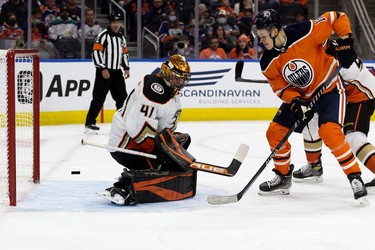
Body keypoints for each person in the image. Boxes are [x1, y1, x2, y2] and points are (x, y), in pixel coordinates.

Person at [252, 9, 368, 204]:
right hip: (303, 97)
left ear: (274, 30)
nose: (261, 39)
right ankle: (283, 177)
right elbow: (282, 88)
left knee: (329, 131)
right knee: (275, 132)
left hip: (330, 89)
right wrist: (295, 102)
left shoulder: (305, 31)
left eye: (263, 35)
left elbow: (337, 17)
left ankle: (355, 177)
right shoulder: (267, 61)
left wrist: (346, 40)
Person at [100, 54, 193, 205]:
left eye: (184, 78)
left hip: (141, 141)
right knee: (161, 167)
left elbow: (163, 126)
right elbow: (138, 129)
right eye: (178, 78)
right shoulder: (153, 89)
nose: (181, 82)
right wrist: (162, 152)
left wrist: (170, 142)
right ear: (167, 74)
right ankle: (124, 187)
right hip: (126, 144)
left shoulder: (170, 90)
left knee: (179, 148)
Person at [293, 40, 375, 193]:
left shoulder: (338, 52)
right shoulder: (318, 53)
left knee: (354, 137)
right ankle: (314, 166)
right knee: (311, 119)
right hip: (340, 95)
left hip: (359, 96)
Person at [84, 12, 130, 133]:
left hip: (117, 72)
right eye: (114, 22)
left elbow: (124, 53)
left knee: (122, 99)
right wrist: (102, 68)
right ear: (110, 23)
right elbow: (96, 53)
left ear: (121, 23)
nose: (116, 24)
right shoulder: (103, 36)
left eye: (118, 22)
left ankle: (121, 123)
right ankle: (89, 123)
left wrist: (126, 67)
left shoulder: (121, 38)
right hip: (104, 72)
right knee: (98, 98)